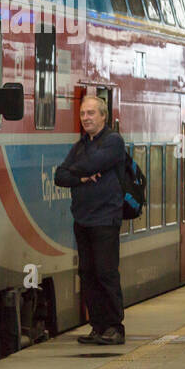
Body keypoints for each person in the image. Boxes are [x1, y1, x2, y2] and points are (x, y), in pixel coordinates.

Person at [54, 95, 127, 345]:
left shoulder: (114, 142)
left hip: (106, 217)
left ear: (104, 116)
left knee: (106, 272)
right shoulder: (80, 145)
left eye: (91, 113)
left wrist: (78, 170)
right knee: (87, 273)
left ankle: (115, 327)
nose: (86, 118)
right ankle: (98, 326)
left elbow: (92, 164)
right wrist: (81, 176)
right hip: (83, 218)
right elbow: (59, 176)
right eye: (83, 113)